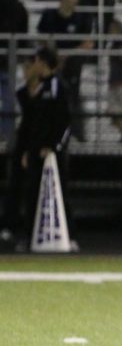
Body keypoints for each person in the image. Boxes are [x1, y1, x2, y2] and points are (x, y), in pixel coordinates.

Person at [13, 47, 71, 250]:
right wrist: (30, 149)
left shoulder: (56, 86)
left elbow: (64, 120)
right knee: (33, 194)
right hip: (37, 151)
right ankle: (31, 237)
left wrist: (54, 146)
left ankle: (67, 235)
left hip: (51, 153)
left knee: (59, 191)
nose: (33, 65)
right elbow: (35, 123)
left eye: (36, 61)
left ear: (43, 63)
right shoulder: (39, 87)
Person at [37, 0, 95, 142]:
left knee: (71, 98)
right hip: (51, 66)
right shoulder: (49, 16)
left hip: (72, 66)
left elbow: (88, 43)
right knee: (49, 97)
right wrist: (55, 55)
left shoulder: (82, 18)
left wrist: (67, 55)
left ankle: (73, 134)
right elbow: (41, 38)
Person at [0, 0, 27, 142]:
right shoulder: (18, 6)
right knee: (8, 96)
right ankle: (7, 134)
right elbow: (23, 33)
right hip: (9, 58)